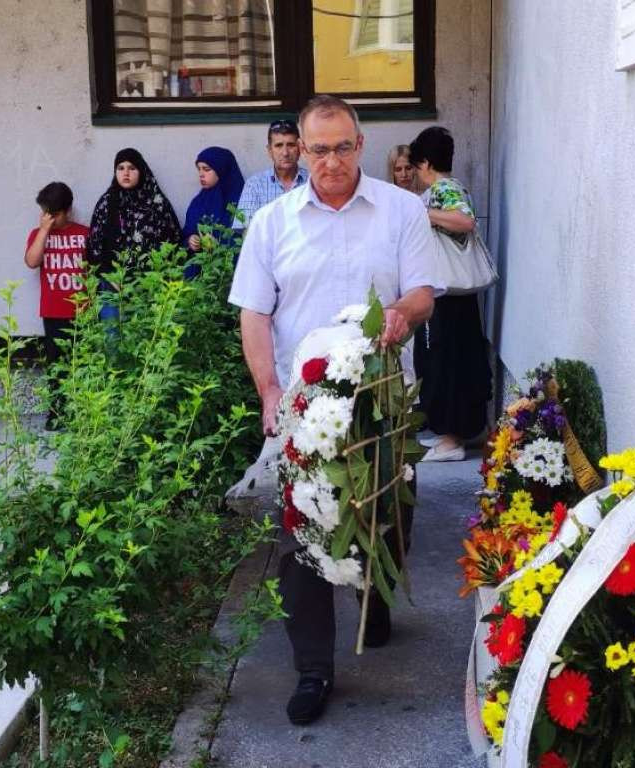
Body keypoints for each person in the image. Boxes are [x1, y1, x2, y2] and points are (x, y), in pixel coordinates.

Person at [229, 95, 439, 726]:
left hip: (384, 402)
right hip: (305, 409)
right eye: (317, 149)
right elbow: (253, 313)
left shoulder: (402, 210)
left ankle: (376, 597)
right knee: (303, 536)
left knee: (388, 513)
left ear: (361, 144)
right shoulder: (271, 222)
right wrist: (269, 391)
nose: (330, 161)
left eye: (342, 147)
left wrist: (403, 314)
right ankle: (314, 668)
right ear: (297, 148)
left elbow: (425, 291)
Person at [408, 126, 492, 462]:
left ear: (425, 163)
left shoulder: (444, 189)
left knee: (447, 361)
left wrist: (422, 214)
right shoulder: (446, 189)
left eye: (415, 167)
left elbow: (464, 221)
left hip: (449, 294)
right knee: (446, 359)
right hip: (451, 294)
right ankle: (450, 433)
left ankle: (452, 440)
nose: (415, 174)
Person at [24, 181, 88, 430]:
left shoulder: (84, 234)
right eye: (45, 212)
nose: (50, 218)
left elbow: (94, 270)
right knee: (56, 366)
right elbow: (31, 261)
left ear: (68, 210)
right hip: (53, 311)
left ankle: (80, 413)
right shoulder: (38, 234)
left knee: (80, 364)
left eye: (55, 214)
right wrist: (44, 231)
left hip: (82, 310)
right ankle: (56, 413)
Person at [86, 148, 181, 278]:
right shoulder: (106, 203)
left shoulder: (157, 204)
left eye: (132, 168)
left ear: (141, 171)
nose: (126, 173)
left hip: (151, 284)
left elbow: (173, 242)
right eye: (120, 168)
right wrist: (108, 276)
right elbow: (94, 246)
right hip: (113, 284)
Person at [232, 119, 308, 231]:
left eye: (291, 145)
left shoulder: (312, 182)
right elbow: (245, 231)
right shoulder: (255, 185)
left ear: (300, 148)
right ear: (269, 150)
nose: (285, 153)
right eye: (279, 145)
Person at [182, 146, 244, 256]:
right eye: (199, 169)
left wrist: (219, 245)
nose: (201, 174)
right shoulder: (199, 201)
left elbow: (248, 239)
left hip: (231, 267)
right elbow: (187, 233)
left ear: (222, 170)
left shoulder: (242, 200)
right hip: (202, 267)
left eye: (206, 169)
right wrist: (191, 240)